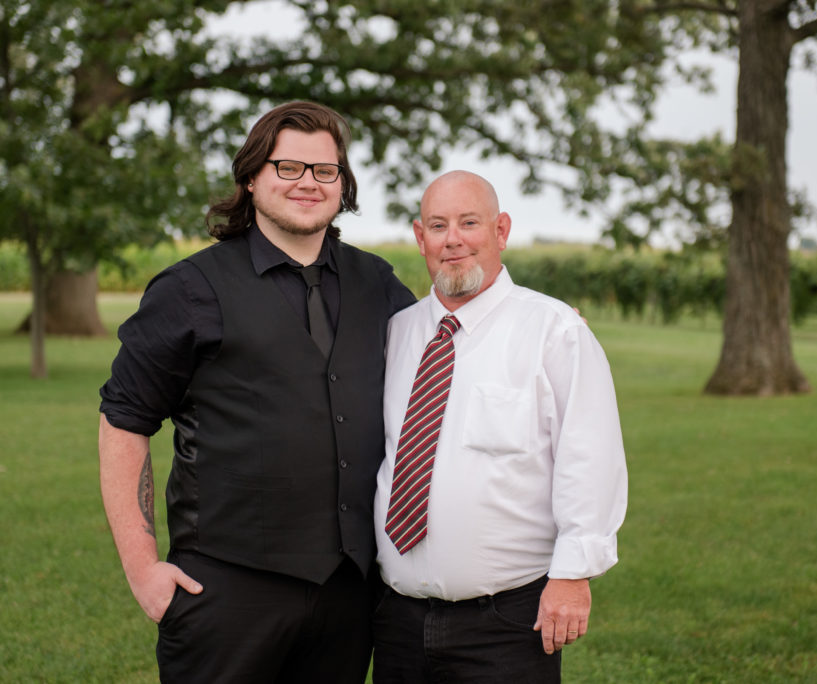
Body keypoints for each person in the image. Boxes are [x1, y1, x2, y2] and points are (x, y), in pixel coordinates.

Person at [98, 101, 416, 683]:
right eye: (287, 167)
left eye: (325, 171)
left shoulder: (379, 283)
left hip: (349, 594)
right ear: (251, 178)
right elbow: (124, 421)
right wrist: (143, 568)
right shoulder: (189, 289)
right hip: (225, 592)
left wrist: (534, 328)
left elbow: (449, 358)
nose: (308, 183)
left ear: (342, 184)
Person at [372, 170, 628, 683]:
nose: (454, 239)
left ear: (501, 231)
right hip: (397, 618)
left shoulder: (554, 331)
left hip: (507, 622)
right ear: (421, 238)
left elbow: (590, 457)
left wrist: (573, 574)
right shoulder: (397, 332)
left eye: (470, 222)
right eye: (438, 225)